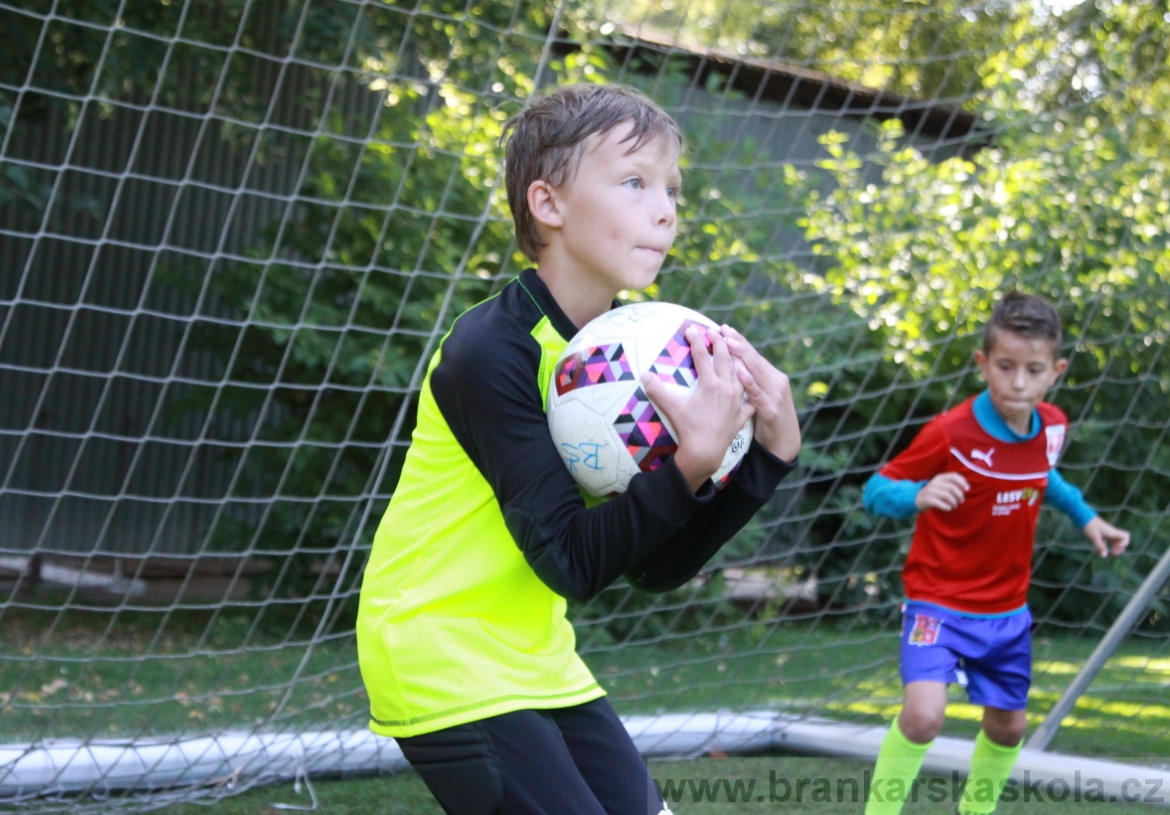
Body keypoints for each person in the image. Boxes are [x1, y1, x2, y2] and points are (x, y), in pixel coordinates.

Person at [355, 83, 800, 815]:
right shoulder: (489, 349)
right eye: (634, 182)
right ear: (548, 205)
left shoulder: (640, 350)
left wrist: (765, 458)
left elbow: (652, 565)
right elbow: (569, 560)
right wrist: (689, 461)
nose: (665, 209)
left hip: (541, 659)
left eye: (671, 190)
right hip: (437, 648)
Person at [862, 291, 1130, 815]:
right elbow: (875, 490)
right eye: (1006, 367)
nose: (1019, 383)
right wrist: (915, 495)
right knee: (922, 716)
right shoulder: (950, 433)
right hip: (936, 602)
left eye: (1034, 370)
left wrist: (1087, 518)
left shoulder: (1052, 426)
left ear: (1056, 371)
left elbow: (1043, 477)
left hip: (1006, 613)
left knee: (1009, 729)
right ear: (984, 364)